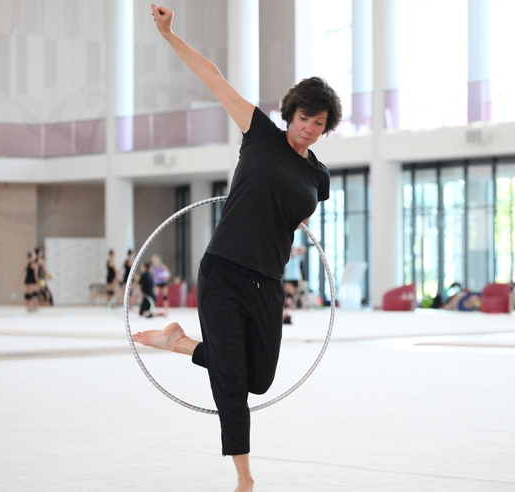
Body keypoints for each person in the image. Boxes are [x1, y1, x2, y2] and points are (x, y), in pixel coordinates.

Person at [132, 4, 341, 491]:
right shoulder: (260, 133)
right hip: (223, 269)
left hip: (268, 281)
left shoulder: (319, 177)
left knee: (258, 378)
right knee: (231, 384)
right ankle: (245, 479)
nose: (309, 128)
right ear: (290, 113)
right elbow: (213, 75)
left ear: (326, 129)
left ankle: (177, 342)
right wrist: (168, 33)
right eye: (304, 117)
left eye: (319, 123)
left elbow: (299, 216)